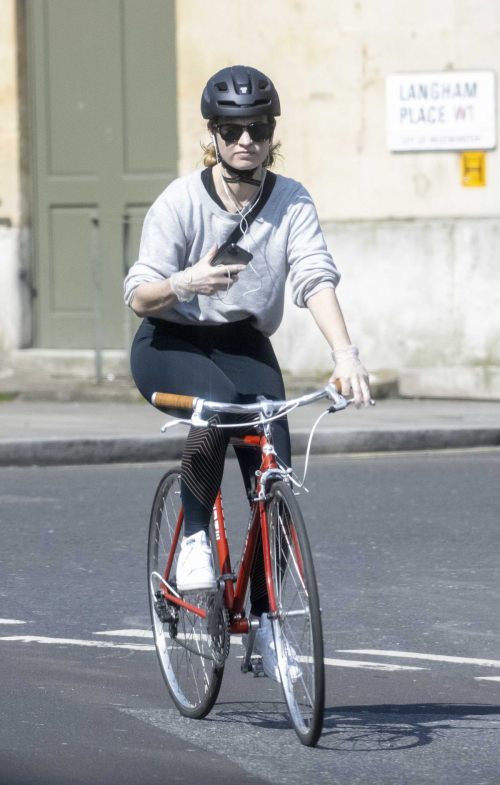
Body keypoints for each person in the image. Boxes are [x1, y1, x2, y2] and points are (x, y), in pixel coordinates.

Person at [124, 65, 370, 680]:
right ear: (213, 134)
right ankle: (194, 539)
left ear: (270, 134)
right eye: (231, 130)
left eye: (257, 129)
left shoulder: (291, 201)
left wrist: (345, 355)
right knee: (215, 406)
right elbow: (138, 294)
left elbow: (314, 274)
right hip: (170, 339)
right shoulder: (180, 201)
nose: (245, 141)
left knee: (273, 474)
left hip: (243, 344)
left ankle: (266, 621)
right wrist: (187, 281)